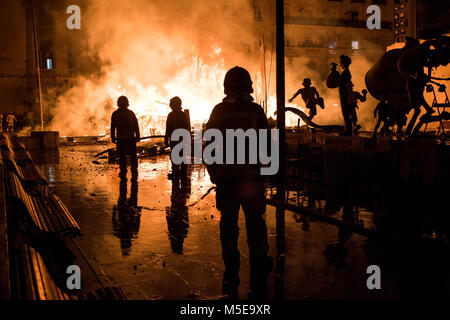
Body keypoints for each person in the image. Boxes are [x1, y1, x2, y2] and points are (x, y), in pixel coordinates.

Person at [205, 66, 272, 299]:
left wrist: (214, 172)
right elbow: (267, 145)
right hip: (252, 180)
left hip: (227, 182)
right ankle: (259, 259)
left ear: (227, 87)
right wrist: (265, 173)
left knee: (229, 223)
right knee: (255, 223)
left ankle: (231, 263)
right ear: (249, 87)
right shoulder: (256, 111)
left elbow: (208, 146)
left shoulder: (219, 111)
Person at [110, 96, 140, 189]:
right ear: (127, 103)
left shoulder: (115, 113)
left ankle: (123, 172)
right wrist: (137, 136)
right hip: (130, 139)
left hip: (121, 139)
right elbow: (136, 126)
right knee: (133, 156)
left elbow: (112, 126)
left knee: (122, 157)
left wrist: (113, 137)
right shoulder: (130, 113)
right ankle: (134, 172)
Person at [165, 96, 190, 185]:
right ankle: (182, 173)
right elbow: (187, 128)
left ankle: (176, 173)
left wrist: (166, 138)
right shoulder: (183, 115)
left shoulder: (171, 115)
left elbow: (168, 128)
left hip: (175, 140)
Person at [338, 55, 353, 135]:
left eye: (341, 62)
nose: (340, 64)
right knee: (346, 113)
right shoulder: (346, 72)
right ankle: (348, 129)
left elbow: (342, 83)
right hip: (344, 94)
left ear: (344, 63)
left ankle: (348, 130)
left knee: (346, 113)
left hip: (345, 95)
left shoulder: (346, 73)